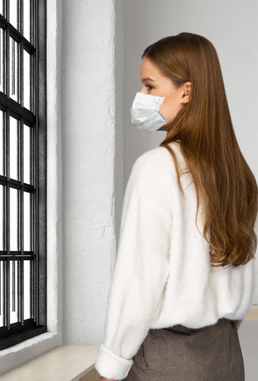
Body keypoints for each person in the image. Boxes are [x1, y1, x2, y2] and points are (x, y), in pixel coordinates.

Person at [94, 32, 258, 381]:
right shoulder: (239, 176)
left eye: (150, 86)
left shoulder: (157, 167)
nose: (141, 97)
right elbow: (242, 269)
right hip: (227, 358)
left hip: (169, 359)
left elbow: (139, 282)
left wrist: (112, 363)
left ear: (186, 91)